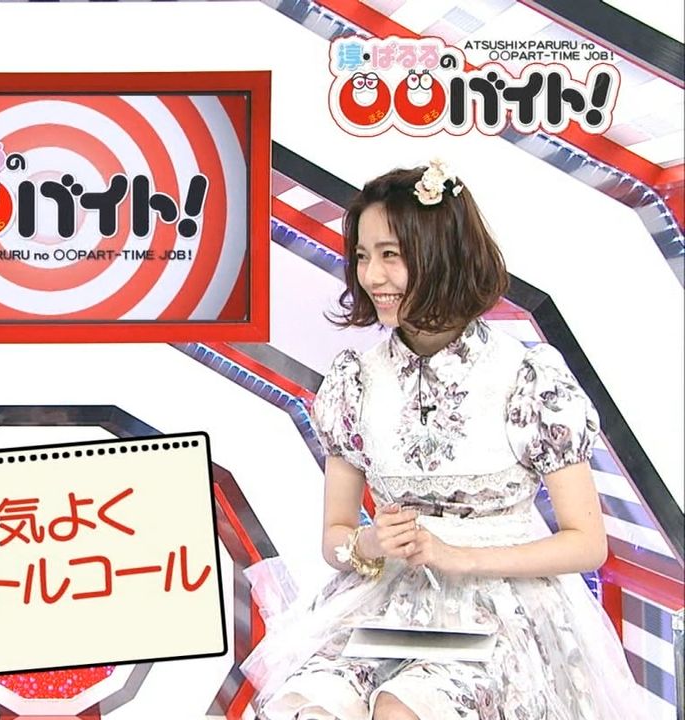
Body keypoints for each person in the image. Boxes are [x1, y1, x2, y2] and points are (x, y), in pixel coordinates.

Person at [241, 161, 646, 719]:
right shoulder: (355, 381)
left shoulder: (526, 378)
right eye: (362, 256)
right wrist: (370, 544)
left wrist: (460, 557)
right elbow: (335, 537)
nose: (372, 276)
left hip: (497, 615)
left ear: (441, 252)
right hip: (388, 611)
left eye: (391, 255)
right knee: (307, 706)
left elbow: (586, 543)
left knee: (403, 708)